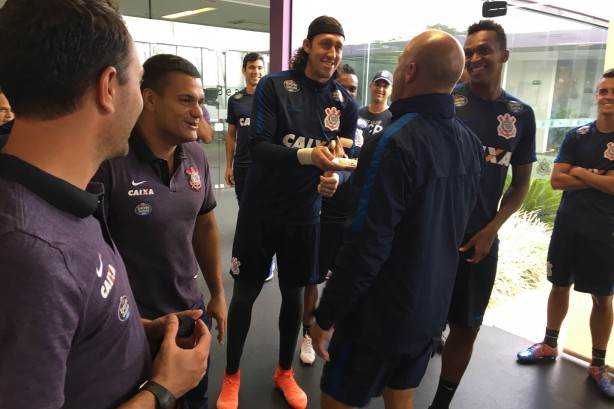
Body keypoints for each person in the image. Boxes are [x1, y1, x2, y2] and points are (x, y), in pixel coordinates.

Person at [0, 1, 210, 408]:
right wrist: (163, 390)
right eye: (138, 80)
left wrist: (131, 331)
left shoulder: (62, 202)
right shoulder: (31, 254)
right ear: (109, 87)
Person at [310, 29, 483, 409]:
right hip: (428, 311)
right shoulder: (470, 143)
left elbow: (365, 245)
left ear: (410, 70)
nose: (399, 65)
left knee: (338, 398)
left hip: (377, 317)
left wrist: (326, 315)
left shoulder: (392, 143)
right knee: (401, 393)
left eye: (402, 60)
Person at [217, 15, 357, 409]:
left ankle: (284, 372)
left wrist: (336, 180)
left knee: (294, 295)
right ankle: (231, 377)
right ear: (308, 45)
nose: (332, 53)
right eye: (326, 43)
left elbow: (345, 161)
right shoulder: (274, 86)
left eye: (339, 47)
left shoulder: (344, 103)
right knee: (244, 294)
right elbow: (257, 147)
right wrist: (307, 155)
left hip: (305, 216)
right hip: (260, 212)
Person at [91, 53, 227, 409]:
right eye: (185, 100)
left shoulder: (195, 154)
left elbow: (205, 224)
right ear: (149, 99)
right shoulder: (111, 163)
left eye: (200, 101)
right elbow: (90, 256)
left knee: (196, 400)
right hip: (136, 323)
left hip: (191, 314)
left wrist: (217, 294)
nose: (198, 111)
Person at [429, 20, 536, 409]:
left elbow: (520, 183)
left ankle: (440, 403)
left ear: (503, 55)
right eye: (469, 51)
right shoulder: (447, 101)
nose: (475, 58)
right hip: (433, 235)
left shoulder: (520, 114)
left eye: (484, 50)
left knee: (466, 327)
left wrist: (492, 228)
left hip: (479, 241)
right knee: (419, 321)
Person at [516, 68, 614, 398]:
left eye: (613, 91)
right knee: (559, 287)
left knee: (603, 298)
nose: (607, 97)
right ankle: (549, 345)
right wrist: (597, 176)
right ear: (596, 95)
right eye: (602, 91)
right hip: (568, 227)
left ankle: (598, 366)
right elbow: (557, 179)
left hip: (605, 234)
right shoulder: (578, 136)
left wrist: (581, 172)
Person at [299, 63, 360, 366]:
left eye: (353, 90)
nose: (348, 94)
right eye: (344, 87)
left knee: (347, 278)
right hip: (322, 212)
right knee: (314, 278)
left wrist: (343, 175)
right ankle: (308, 335)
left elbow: (357, 167)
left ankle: (335, 331)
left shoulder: (360, 125)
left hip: (352, 215)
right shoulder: (320, 123)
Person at [355, 70, 393, 148]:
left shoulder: (392, 118)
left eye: (385, 86)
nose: (380, 89)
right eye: (377, 84)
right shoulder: (358, 114)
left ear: (391, 90)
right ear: (370, 85)